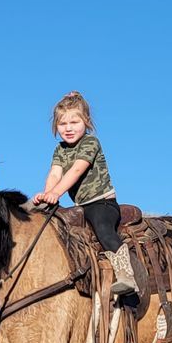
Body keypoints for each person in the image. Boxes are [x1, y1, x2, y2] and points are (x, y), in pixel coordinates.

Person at [31, 90, 147, 300]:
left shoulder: (90, 143)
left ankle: (127, 275)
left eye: (74, 122)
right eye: (62, 124)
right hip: (82, 206)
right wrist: (46, 194)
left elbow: (76, 170)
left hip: (102, 202)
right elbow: (55, 172)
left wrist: (56, 193)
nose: (68, 128)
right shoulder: (60, 150)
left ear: (86, 121)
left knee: (103, 228)